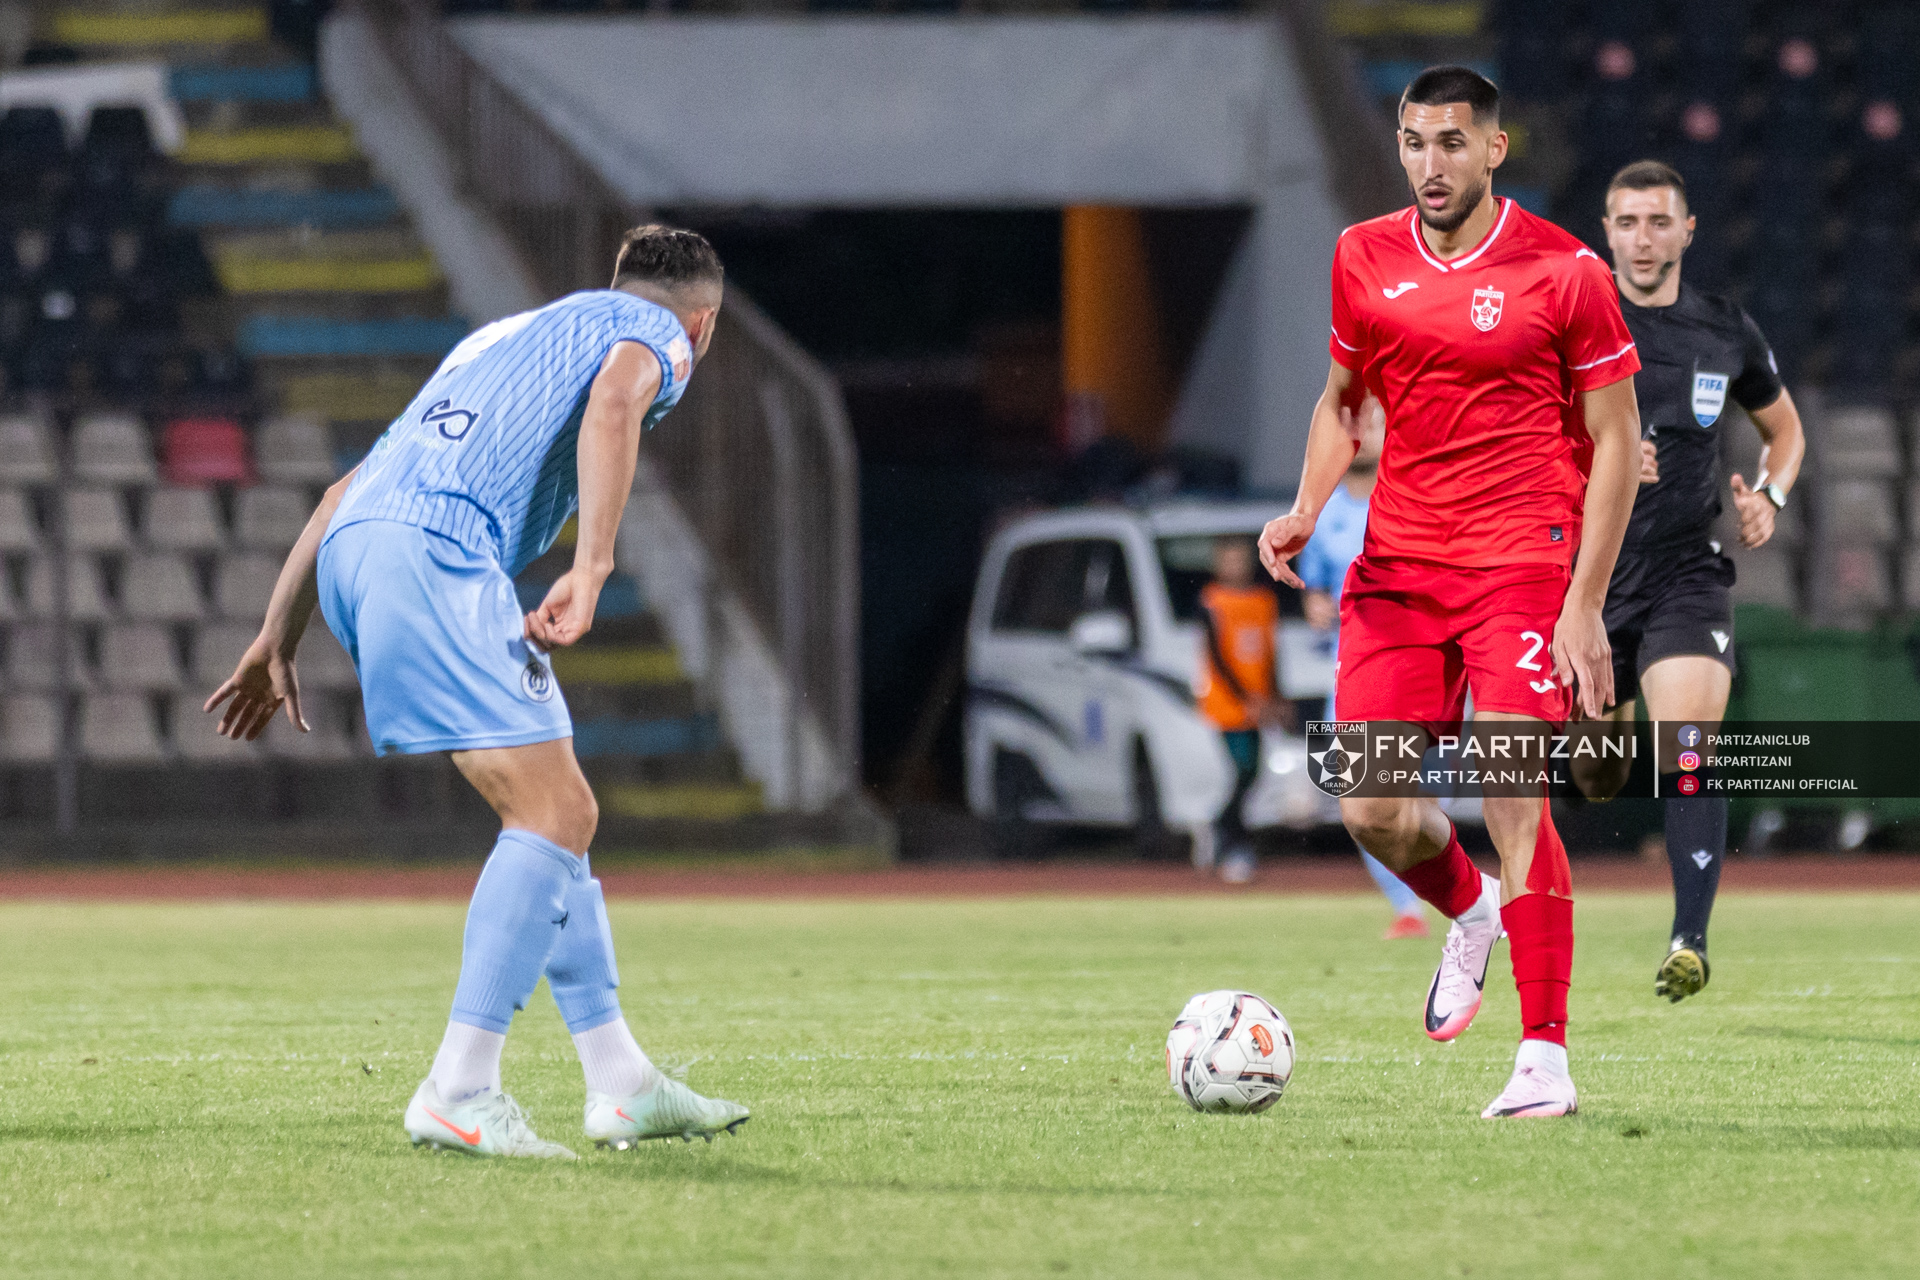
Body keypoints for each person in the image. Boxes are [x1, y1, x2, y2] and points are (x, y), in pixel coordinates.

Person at [206, 226, 750, 1159]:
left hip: (356, 550)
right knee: (552, 814)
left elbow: (342, 490)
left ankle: (622, 1082)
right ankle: (459, 1087)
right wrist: (593, 565)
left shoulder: (500, 339)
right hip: (436, 551)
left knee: (561, 816)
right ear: (702, 325)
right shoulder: (657, 335)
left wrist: (275, 633)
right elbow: (616, 401)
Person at [1259, 66, 1643, 1119]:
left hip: (1522, 560)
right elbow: (1343, 403)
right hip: (1400, 565)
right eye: (1414, 142)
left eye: (1452, 143)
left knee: (1514, 789)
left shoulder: (1566, 271)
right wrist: (1305, 506)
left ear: (1494, 149)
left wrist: (1583, 599)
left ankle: (1545, 1057)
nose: (1431, 164)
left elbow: (1616, 441)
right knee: (1372, 805)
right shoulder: (1362, 254)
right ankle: (1470, 911)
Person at [1584, 159, 1805, 1002]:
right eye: (1627, 223)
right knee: (1599, 776)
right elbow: (1522, 436)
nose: (1643, 239)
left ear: (1687, 230)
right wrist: (1595, 460)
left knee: (1688, 748)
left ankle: (1689, 939)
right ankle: (1609, 709)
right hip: (1590, 582)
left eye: (1658, 221)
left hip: (1685, 572)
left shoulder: (1723, 328)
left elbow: (1786, 431)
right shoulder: (1574, 319)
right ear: (1607, 233)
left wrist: (1770, 497)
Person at [1296, 401, 1430, 939]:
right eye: (1356, 421)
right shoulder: (1323, 512)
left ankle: (1458, 896)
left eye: (1375, 421)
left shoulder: (1412, 500)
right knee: (1357, 799)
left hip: (1419, 667)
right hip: (1351, 671)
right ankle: (1408, 907)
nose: (1365, 432)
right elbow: (1313, 591)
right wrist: (1315, 607)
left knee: (1423, 796)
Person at [1196, 536, 1288, 884]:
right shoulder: (1212, 601)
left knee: (1253, 773)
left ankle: (1222, 830)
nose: (1236, 566)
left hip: (1258, 703)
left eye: (1241, 559)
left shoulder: (1264, 600)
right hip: (1228, 705)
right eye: (1229, 560)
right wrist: (1245, 696)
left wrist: (1275, 696)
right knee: (1243, 769)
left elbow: (1270, 652)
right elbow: (1217, 656)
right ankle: (1231, 842)